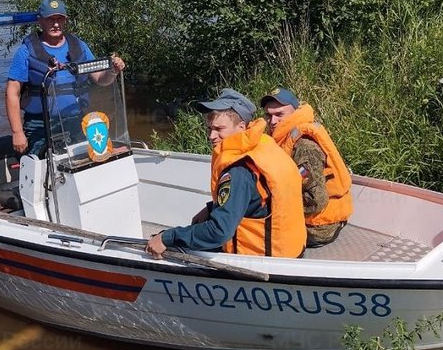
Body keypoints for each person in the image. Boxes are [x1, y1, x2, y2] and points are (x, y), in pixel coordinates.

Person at [145, 88, 306, 259]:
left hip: (262, 258)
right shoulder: (264, 144)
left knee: (168, 242)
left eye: (219, 129)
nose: (212, 136)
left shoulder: (239, 169)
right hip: (289, 250)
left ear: (241, 127)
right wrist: (210, 208)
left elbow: (219, 232)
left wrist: (167, 238)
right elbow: (254, 199)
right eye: (209, 128)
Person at [5, 0, 125, 156]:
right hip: (40, 124)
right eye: (50, 19)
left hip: (76, 120)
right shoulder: (26, 52)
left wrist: (112, 71)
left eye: (59, 19)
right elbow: (12, 93)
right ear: (40, 20)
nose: (55, 24)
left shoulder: (78, 46)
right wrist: (17, 132)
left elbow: (100, 79)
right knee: (44, 168)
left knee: (87, 161)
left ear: (65, 20)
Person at [260, 87, 353, 247]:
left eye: (279, 115)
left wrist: (271, 209)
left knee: (247, 232)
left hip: (318, 228)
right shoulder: (282, 139)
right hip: (305, 220)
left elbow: (316, 201)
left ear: (294, 113)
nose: (273, 121)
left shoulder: (304, 148)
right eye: (268, 115)